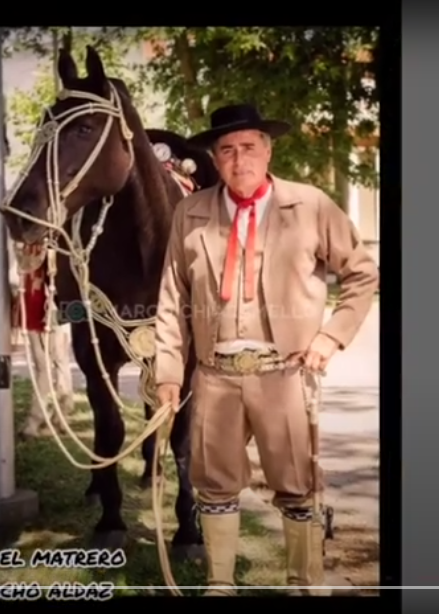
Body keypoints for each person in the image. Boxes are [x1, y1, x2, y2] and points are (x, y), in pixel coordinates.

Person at [153, 104, 379, 595]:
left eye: (249, 147)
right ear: (215, 158)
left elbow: (362, 272)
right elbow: (172, 299)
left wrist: (331, 335)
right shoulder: (189, 213)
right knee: (213, 484)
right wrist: (168, 372)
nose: (240, 160)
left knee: (298, 487)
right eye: (228, 150)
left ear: (269, 149)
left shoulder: (311, 205)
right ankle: (219, 583)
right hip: (214, 376)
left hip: (286, 375)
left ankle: (303, 583)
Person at [8, 240, 75, 437]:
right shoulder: (19, 242)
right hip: (31, 307)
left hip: (53, 308)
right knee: (43, 365)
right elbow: (14, 279)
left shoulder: (56, 240)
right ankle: (41, 418)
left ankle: (57, 414)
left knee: (59, 361)